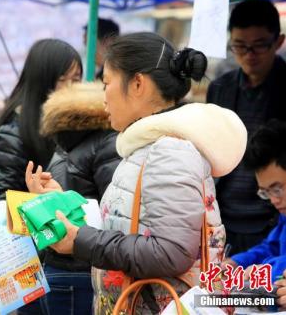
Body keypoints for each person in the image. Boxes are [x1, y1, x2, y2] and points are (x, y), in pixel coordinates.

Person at [27, 32, 247, 314]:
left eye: (106, 82)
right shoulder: (149, 145)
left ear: (138, 83)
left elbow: (171, 253)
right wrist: (66, 204)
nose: (101, 94)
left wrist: (81, 240)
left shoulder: (169, 151)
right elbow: (128, 224)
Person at [207, 0, 286, 255]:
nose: (249, 54)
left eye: (259, 45)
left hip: (277, 216)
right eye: (239, 46)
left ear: (278, 42)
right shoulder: (219, 88)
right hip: (226, 215)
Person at [25, 81, 120, 315]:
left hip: (55, 265)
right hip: (85, 267)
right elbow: (114, 210)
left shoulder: (64, 145)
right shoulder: (107, 143)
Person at [0, 39, 83, 208]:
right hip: (33, 230)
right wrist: (38, 201)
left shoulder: (73, 125)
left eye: (76, 79)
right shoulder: (15, 130)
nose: (71, 88)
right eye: (62, 79)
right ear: (42, 81)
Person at [222, 120, 286, 281]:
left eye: (277, 189)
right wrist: (237, 262)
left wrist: (265, 270)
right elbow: (272, 247)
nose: (273, 200)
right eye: (265, 192)